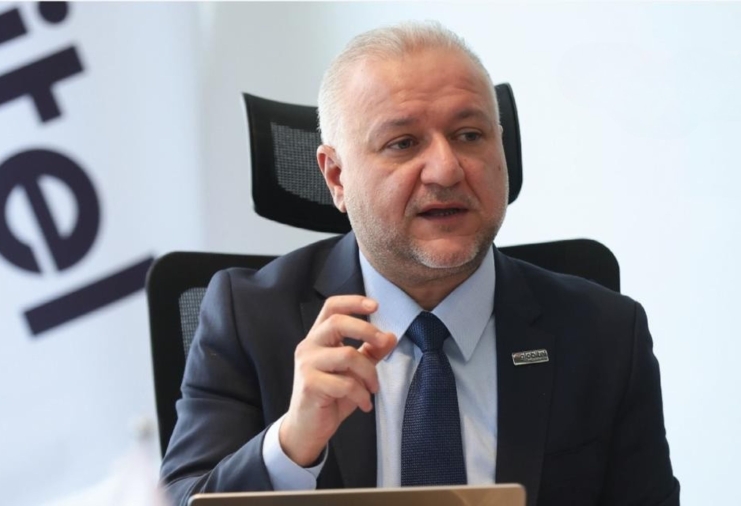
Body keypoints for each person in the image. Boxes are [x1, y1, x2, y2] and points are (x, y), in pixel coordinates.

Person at [160, 21, 680, 506]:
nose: (446, 170)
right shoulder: (249, 319)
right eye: (403, 143)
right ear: (337, 177)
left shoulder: (606, 334)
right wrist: (290, 446)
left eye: (469, 135)